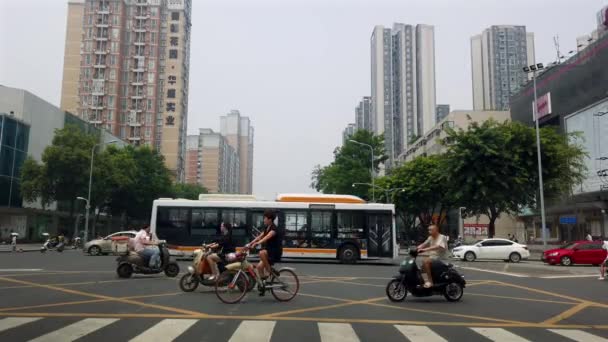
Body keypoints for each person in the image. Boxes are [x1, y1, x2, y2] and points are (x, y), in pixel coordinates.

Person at [248, 210, 282, 284]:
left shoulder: (274, 229)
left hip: (275, 252)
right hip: (269, 251)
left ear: (270, 219)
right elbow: (260, 236)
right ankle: (263, 284)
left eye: (265, 218)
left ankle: (269, 270)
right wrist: (250, 243)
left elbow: (266, 238)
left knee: (261, 253)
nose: (264, 220)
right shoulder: (267, 228)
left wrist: (257, 244)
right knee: (259, 267)